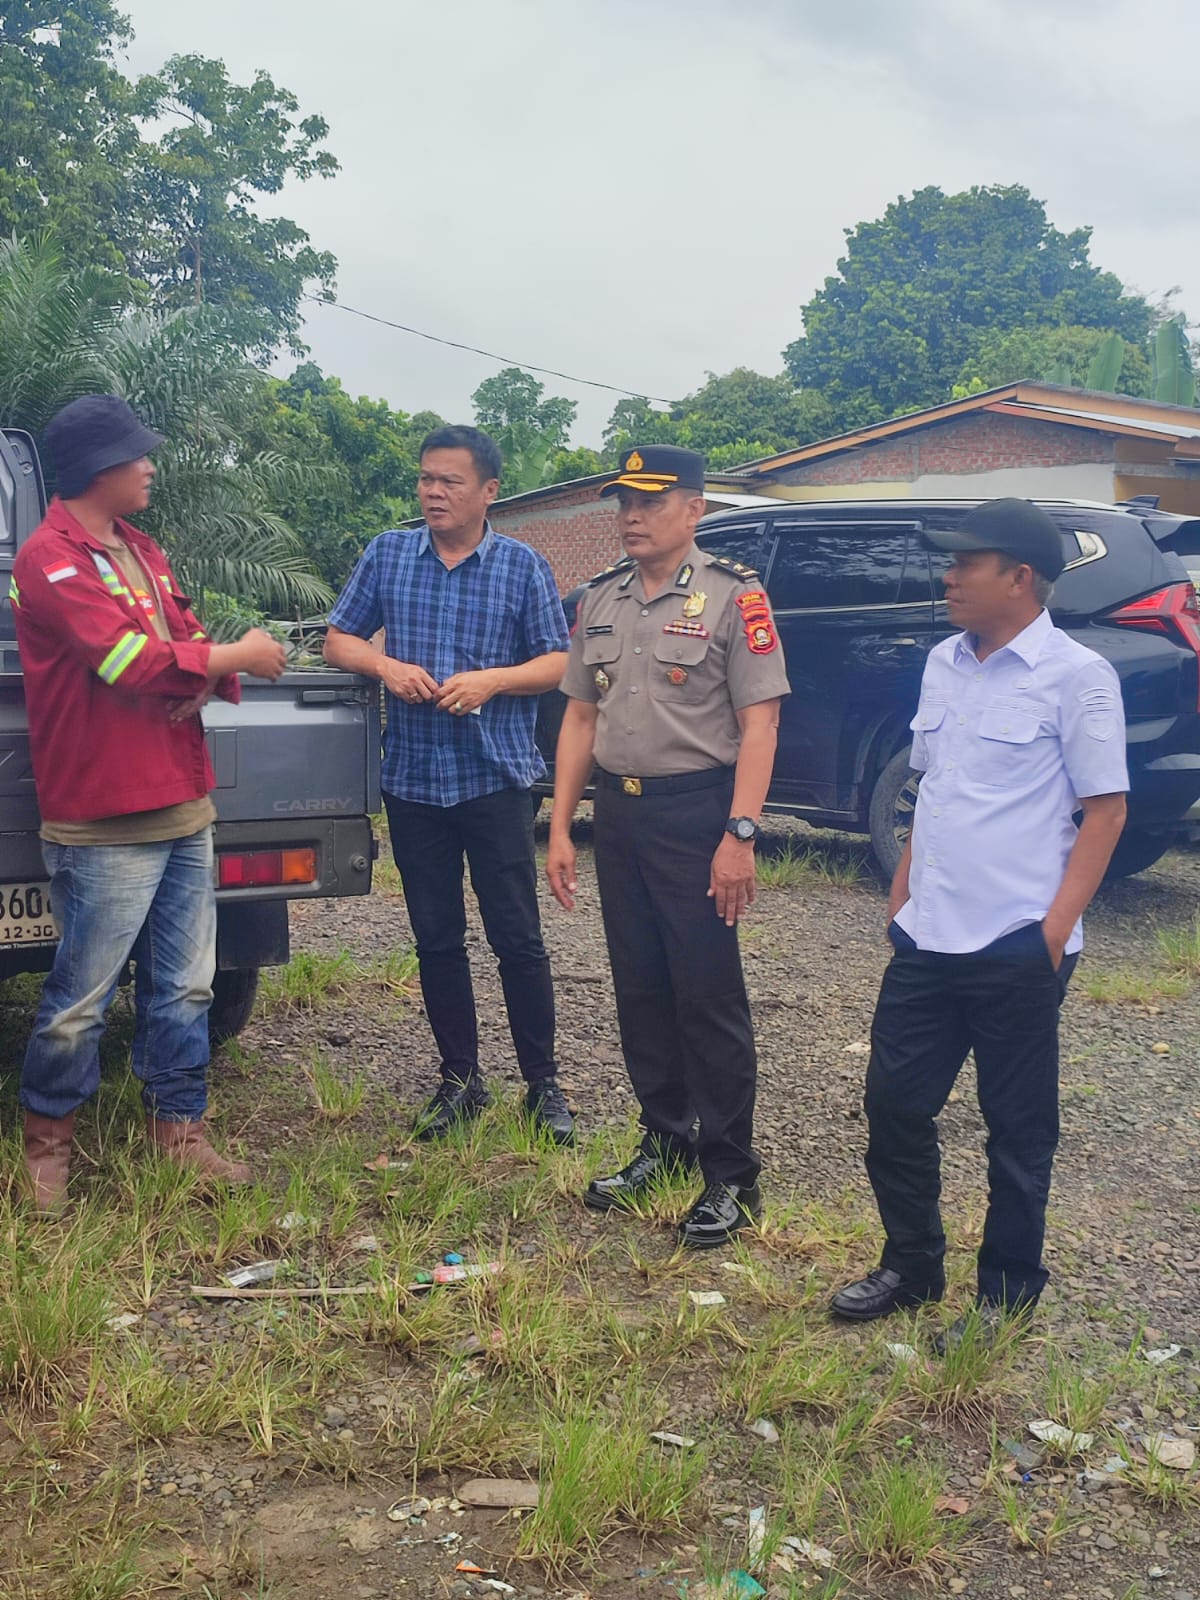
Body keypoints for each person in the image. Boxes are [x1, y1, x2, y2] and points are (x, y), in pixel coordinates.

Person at [831, 498, 1128, 1345]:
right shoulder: (943, 664)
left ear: (1020, 578)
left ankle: (1004, 1297)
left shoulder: (1076, 676)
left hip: (1016, 941)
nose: (949, 575)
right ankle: (912, 1265)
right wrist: (903, 892)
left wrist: (1053, 928)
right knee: (894, 1104)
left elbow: (1105, 810)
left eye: (967, 563)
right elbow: (934, 785)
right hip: (929, 933)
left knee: (1017, 1129)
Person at [14, 394, 288, 1214]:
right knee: (81, 998)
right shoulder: (50, 558)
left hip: (180, 799)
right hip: (104, 816)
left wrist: (203, 665)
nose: (150, 467)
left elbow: (181, 632)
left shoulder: (139, 547)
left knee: (187, 985)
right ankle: (47, 1146)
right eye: (138, 456)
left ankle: (181, 1131)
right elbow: (127, 657)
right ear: (99, 466)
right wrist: (233, 654)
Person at [546, 444, 789, 1248]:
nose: (632, 515)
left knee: (707, 995)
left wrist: (740, 834)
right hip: (621, 814)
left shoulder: (733, 597)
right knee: (641, 988)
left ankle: (731, 1173)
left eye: (651, 501)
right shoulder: (602, 600)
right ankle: (666, 1141)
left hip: (698, 816)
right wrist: (560, 825)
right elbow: (581, 719)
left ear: (696, 510)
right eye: (624, 501)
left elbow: (762, 723)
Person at [324, 425, 573, 1143]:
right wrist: (385, 668)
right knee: (436, 938)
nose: (433, 492)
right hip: (412, 781)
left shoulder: (521, 566)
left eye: (450, 481)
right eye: (426, 479)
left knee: (517, 938)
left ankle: (543, 1084)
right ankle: (459, 1079)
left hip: (493, 779)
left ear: (488, 491)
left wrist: (494, 680)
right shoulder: (390, 553)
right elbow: (338, 638)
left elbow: (559, 662)